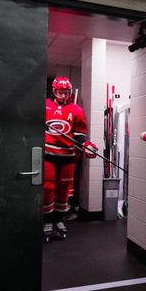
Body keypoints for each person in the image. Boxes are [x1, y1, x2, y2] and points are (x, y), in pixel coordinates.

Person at [44, 77, 95, 242]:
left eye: (66, 92)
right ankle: (46, 222)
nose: (63, 95)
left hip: (67, 157)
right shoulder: (45, 105)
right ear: (54, 91)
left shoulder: (77, 110)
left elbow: (79, 135)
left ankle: (59, 220)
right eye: (60, 92)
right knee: (47, 189)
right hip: (48, 156)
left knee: (63, 190)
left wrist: (86, 145)